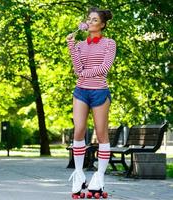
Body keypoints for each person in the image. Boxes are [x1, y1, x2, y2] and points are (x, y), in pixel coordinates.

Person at [66, 7, 116, 199]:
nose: (90, 22)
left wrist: (84, 73)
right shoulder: (79, 44)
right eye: (89, 19)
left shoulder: (109, 43)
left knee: (102, 134)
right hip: (80, 91)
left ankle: (99, 177)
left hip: (99, 91)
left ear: (102, 24)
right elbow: (77, 67)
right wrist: (71, 46)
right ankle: (79, 175)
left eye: (94, 20)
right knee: (78, 130)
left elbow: (105, 68)